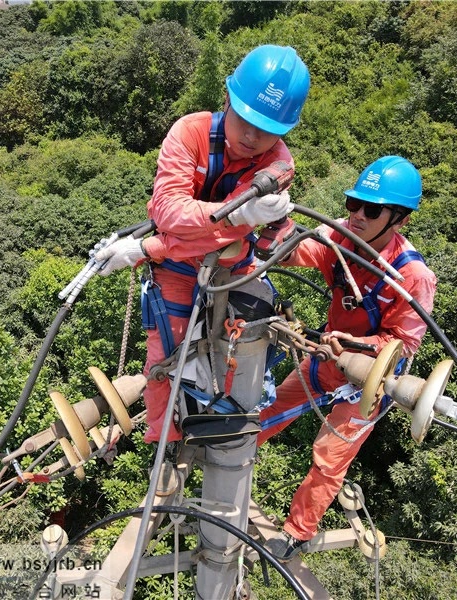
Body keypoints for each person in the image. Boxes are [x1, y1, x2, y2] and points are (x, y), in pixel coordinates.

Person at [94, 45, 311, 446]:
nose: (252, 135)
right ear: (227, 99)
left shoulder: (278, 165)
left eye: (266, 129)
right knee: (164, 356)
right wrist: (238, 216)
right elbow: (168, 211)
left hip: (231, 265)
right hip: (178, 267)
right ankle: (166, 443)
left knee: (248, 342)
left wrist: (150, 248)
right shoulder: (190, 132)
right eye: (245, 119)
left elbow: (220, 233)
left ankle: (228, 431)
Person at [260, 155, 438, 560]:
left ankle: (297, 532)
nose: (357, 215)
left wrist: (358, 347)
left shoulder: (412, 277)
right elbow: (292, 251)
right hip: (326, 358)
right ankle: (229, 457)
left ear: (400, 220)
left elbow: (404, 346)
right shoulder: (338, 238)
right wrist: (273, 224)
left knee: (329, 455)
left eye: (371, 210)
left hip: (369, 381)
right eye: (352, 204)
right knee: (270, 407)